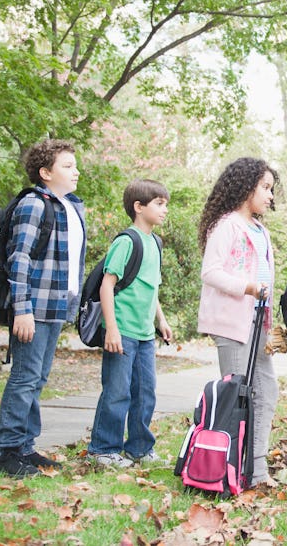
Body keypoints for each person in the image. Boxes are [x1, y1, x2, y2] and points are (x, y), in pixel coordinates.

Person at [0, 139, 86, 478]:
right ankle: (5, 450)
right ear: (45, 173)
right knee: (25, 377)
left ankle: (25, 447)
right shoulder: (34, 204)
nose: (75, 171)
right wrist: (22, 308)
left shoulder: (71, 206)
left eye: (75, 165)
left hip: (57, 306)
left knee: (38, 379)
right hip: (34, 307)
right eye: (67, 166)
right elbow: (20, 257)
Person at [196, 157, 279, 489]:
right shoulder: (227, 225)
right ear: (247, 187)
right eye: (266, 188)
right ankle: (228, 469)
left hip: (258, 322)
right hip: (232, 323)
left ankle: (256, 470)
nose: (270, 196)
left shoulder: (260, 230)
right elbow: (211, 272)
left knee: (266, 391)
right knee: (237, 397)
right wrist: (247, 288)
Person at [88, 179, 173, 467]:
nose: (164, 210)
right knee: (117, 391)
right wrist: (111, 328)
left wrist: (161, 320)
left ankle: (139, 448)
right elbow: (106, 286)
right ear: (139, 207)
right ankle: (103, 449)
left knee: (145, 391)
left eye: (165, 205)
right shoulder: (127, 241)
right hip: (122, 329)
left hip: (145, 333)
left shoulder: (156, 243)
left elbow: (151, 286)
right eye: (159, 204)